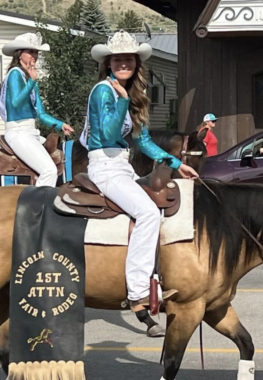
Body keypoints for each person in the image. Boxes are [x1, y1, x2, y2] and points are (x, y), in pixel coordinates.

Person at [80, 30, 199, 311]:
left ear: (136, 64)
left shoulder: (133, 94)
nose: (124, 64)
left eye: (129, 59)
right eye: (117, 59)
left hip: (122, 165)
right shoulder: (103, 91)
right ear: (108, 63)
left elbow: (142, 140)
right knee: (147, 213)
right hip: (104, 166)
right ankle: (138, 291)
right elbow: (108, 134)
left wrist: (176, 164)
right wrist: (122, 100)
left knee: (159, 206)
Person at [0, 32, 74, 187]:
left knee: (60, 158)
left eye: (36, 52)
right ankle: (39, 202)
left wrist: (60, 125)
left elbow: (40, 113)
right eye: (30, 52)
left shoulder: (30, 79)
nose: (34, 56)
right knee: (49, 171)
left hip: (30, 132)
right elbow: (15, 103)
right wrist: (31, 82)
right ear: (19, 54)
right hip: (18, 132)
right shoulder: (15, 74)